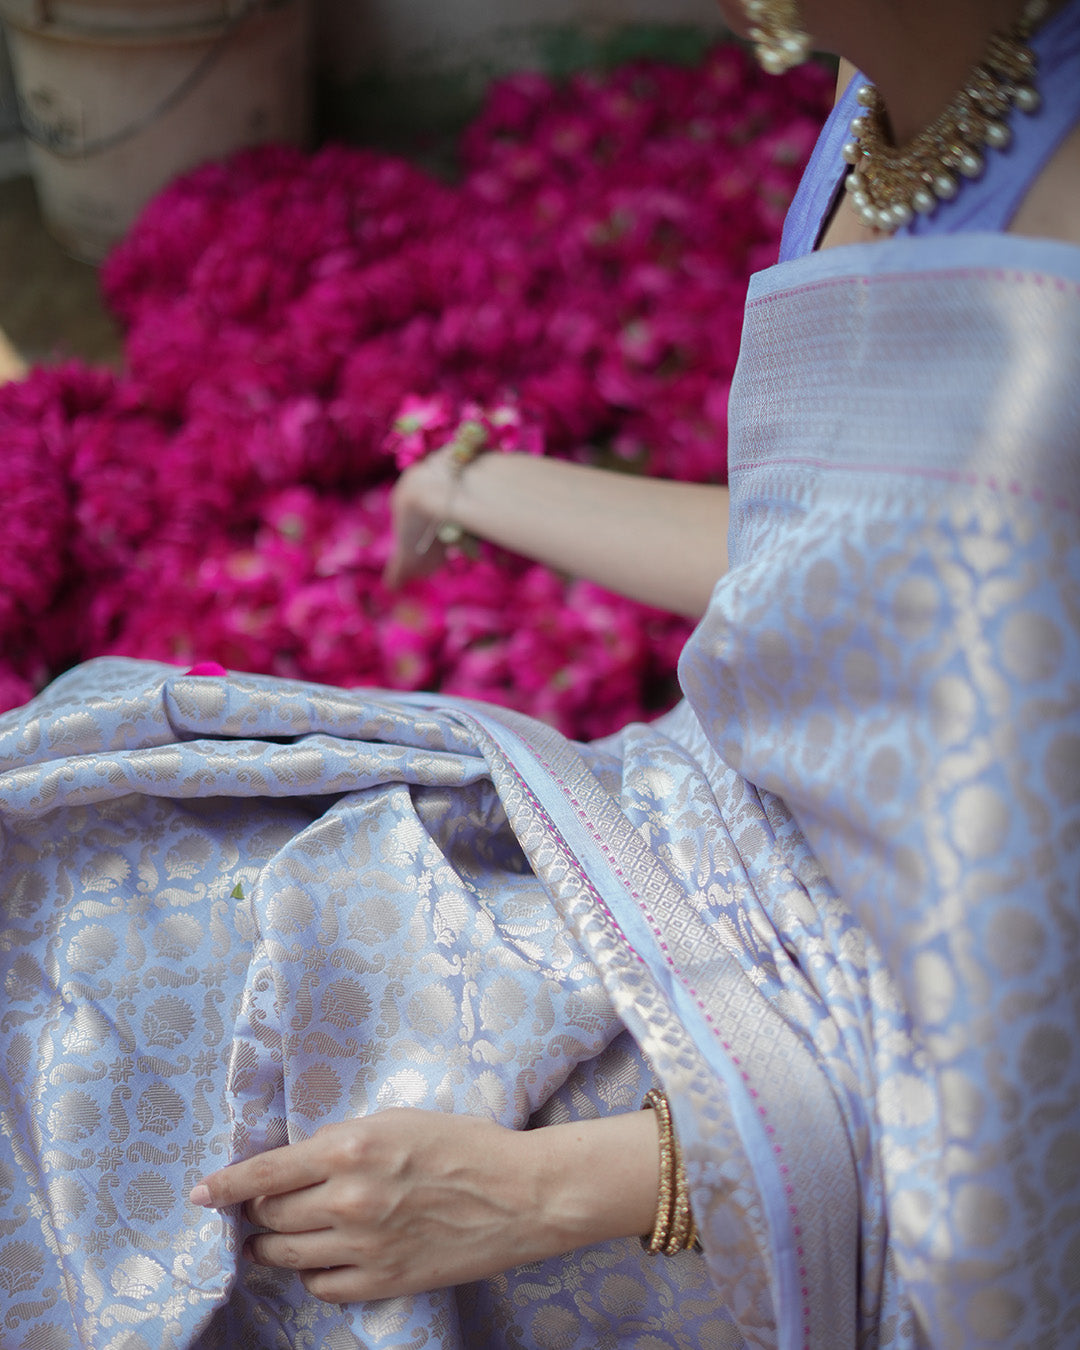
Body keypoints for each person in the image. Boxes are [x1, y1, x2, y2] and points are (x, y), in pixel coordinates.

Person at [1, 0, 1077, 1345]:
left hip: (816, 1108)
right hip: (694, 839)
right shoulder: (915, 91)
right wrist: (473, 483)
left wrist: (547, 1185)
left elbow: (1025, 1112)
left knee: (184, 1142)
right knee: (79, 853)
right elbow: (848, 568)